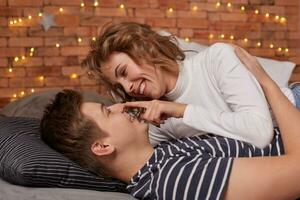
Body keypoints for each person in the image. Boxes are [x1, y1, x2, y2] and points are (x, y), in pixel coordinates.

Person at [40, 47, 300, 199]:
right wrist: (264, 80)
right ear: (103, 147)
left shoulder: (161, 154)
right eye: (108, 112)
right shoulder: (172, 178)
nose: (120, 105)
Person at [81, 22, 297, 149]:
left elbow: (260, 132)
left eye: (124, 73)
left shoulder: (216, 58)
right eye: (119, 84)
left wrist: (183, 111)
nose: (128, 88)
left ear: (144, 48)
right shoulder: (158, 121)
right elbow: (135, 156)